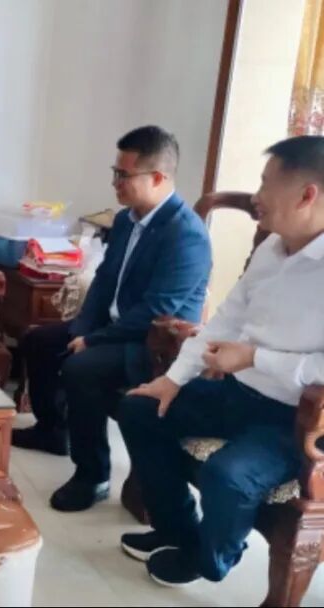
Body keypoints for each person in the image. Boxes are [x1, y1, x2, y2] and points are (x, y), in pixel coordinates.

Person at [118, 136, 324, 587]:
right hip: (239, 392)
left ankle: (210, 560)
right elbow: (226, 319)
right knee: (140, 407)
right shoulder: (272, 248)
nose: (256, 196)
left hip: (297, 420)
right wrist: (174, 379)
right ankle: (178, 532)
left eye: (266, 184)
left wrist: (255, 357)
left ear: (306, 195)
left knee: (227, 475)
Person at [11, 126, 212, 513]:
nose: (115, 183)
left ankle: (93, 475)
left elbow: (157, 310)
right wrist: (84, 328)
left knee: (81, 368)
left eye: (123, 175)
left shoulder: (185, 234)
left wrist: (93, 340)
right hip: (113, 327)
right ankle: (52, 431)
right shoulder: (125, 221)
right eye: (115, 172)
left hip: (153, 343)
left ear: (157, 177)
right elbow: (103, 282)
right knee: (37, 341)